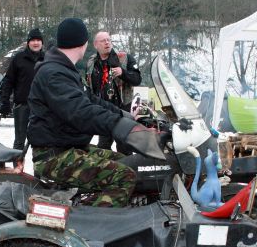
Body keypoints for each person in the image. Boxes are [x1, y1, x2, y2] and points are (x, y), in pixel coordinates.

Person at [27, 18, 163, 207]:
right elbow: (82, 112)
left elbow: (92, 99)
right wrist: (121, 126)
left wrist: (127, 117)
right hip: (54, 157)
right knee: (124, 176)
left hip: (69, 148)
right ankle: (90, 221)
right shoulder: (54, 74)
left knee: (129, 162)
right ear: (83, 43)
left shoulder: (63, 69)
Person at [86, 31, 142, 151]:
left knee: (124, 147)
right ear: (95, 44)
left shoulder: (124, 58)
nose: (107, 42)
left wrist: (123, 73)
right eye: (103, 41)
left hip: (123, 111)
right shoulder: (91, 62)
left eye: (108, 40)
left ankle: (124, 164)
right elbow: (90, 87)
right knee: (103, 147)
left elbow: (137, 79)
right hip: (103, 111)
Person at [0, 28, 44, 151]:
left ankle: (40, 163)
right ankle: (18, 163)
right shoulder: (19, 58)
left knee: (41, 141)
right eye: (33, 40)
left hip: (42, 107)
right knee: (19, 142)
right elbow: (8, 81)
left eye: (38, 40)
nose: (36, 43)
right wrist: (5, 101)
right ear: (28, 42)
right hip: (22, 106)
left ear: (42, 43)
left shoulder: (47, 59)